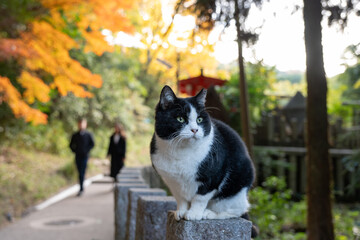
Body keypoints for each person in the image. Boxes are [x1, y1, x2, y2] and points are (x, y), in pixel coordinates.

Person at [69, 118, 95, 196]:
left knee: (82, 172)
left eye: (83, 123)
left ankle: (81, 188)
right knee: (79, 171)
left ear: (85, 124)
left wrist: (87, 150)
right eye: (80, 123)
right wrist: (75, 151)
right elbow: (71, 145)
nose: (81, 125)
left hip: (85, 156)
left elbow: (92, 144)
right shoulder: (75, 135)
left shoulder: (88, 134)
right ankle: (81, 185)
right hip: (78, 156)